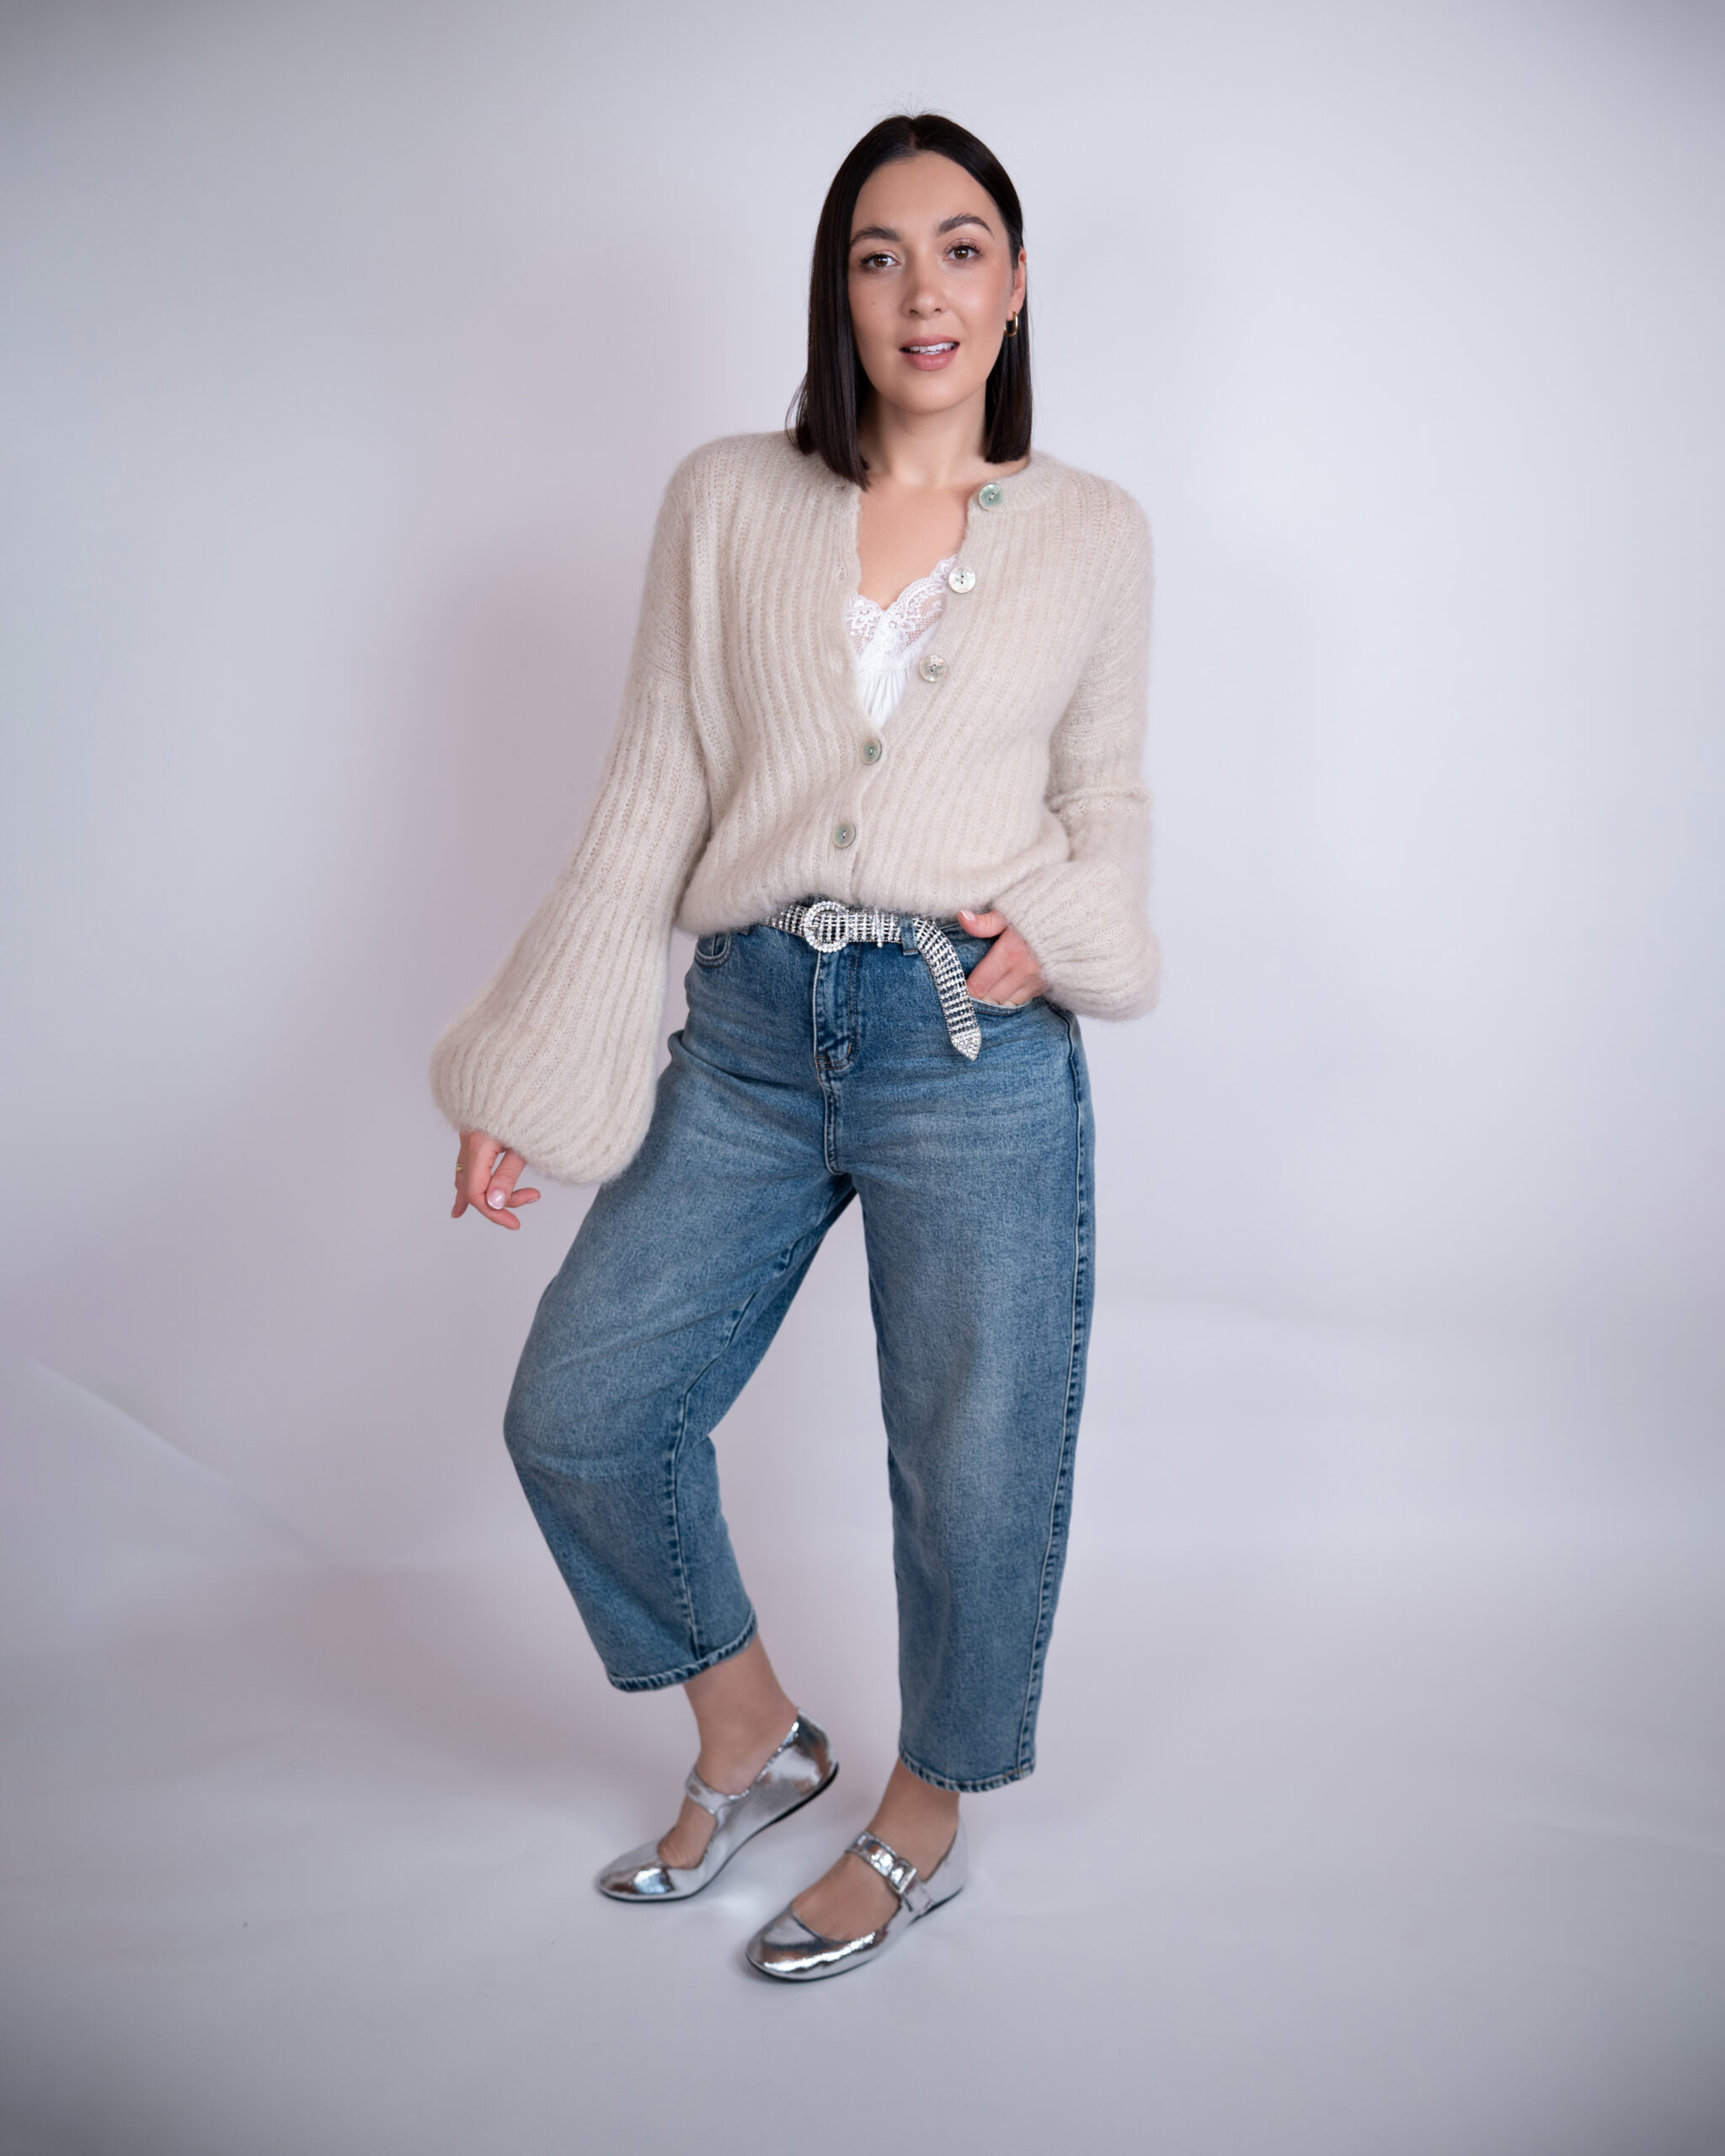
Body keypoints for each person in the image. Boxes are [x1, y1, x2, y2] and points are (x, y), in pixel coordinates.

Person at [431, 111, 1156, 1981]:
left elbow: (1106, 805)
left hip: (970, 1044)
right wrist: (532, 1070)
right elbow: (651, 789)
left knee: (974, 1454)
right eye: (879, 253)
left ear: (1015, 283)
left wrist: (1057, 933)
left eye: (963, 247)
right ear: (838, 289)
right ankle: (750, 1733)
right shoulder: (729, 499)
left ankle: (926, 1814)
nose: (925, 290)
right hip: (753, 1029)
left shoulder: (1092, 531)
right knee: (582, 1408)